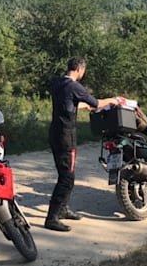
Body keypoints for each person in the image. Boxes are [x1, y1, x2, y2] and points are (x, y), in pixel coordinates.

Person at [45, 56, 119, 231]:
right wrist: (112, 100)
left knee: (66, 174)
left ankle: (63, 209)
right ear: (79, 69)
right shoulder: (75, 86)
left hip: (55, 133)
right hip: (66, 136)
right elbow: (97, 103)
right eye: (83, 71)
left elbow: (66, 104)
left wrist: (82, 106)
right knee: (66, 178)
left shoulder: (59, 83)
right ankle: (52, 217)